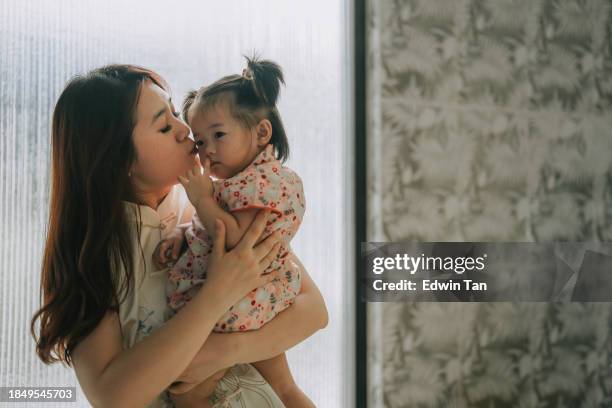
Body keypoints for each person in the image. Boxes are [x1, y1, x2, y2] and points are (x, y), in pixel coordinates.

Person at [30, 64, 328, 407]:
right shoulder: (95, 255)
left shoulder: (208, 211)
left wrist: (223, 350)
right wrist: (215, 295)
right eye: (163, 125)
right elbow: (112, 396)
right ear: (117, 157)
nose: (184, 129)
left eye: (174, 112)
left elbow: (314, 310)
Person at [156, 56, 314, 407]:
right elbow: (209, 230)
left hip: (239, 306)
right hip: (250, 301)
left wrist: (200, 199)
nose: (207, 149)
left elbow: (236, 238)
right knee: (285, 389)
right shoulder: (238, 184)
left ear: (261, 133)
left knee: (190, 391)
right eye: (199, 141)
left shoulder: (263, 183)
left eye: (218, 135)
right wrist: (182, 233)